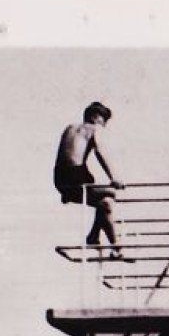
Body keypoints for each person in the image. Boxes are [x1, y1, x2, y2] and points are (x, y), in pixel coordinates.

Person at [53, 101, 125, 259]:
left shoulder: (70, 128)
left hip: (59, 177)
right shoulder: (93, 128)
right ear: (96, 117)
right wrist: (114, 178)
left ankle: (95, 237)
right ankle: (115, 246)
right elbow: (100, 153)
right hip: (76, 174)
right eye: (104, 120)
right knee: (110, 195)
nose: (104, 125)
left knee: (104, 203)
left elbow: (65, 153)